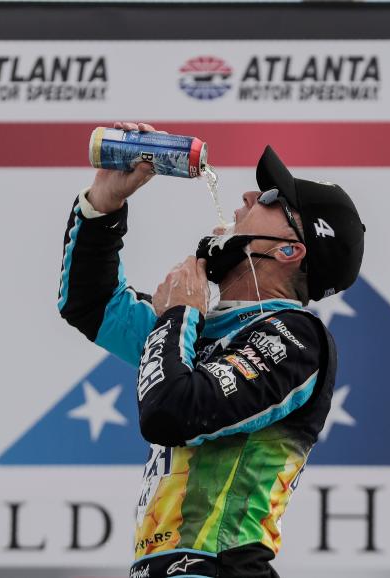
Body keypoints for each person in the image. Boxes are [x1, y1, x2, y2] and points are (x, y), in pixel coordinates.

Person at [58, 122, 365, 578]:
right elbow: (92, 305)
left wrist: (179, 314)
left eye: (271, 200)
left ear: (288, 252)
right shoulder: (200, 325)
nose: (247, 197)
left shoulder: (296, 338)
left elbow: (172, 413)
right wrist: (105, 203)